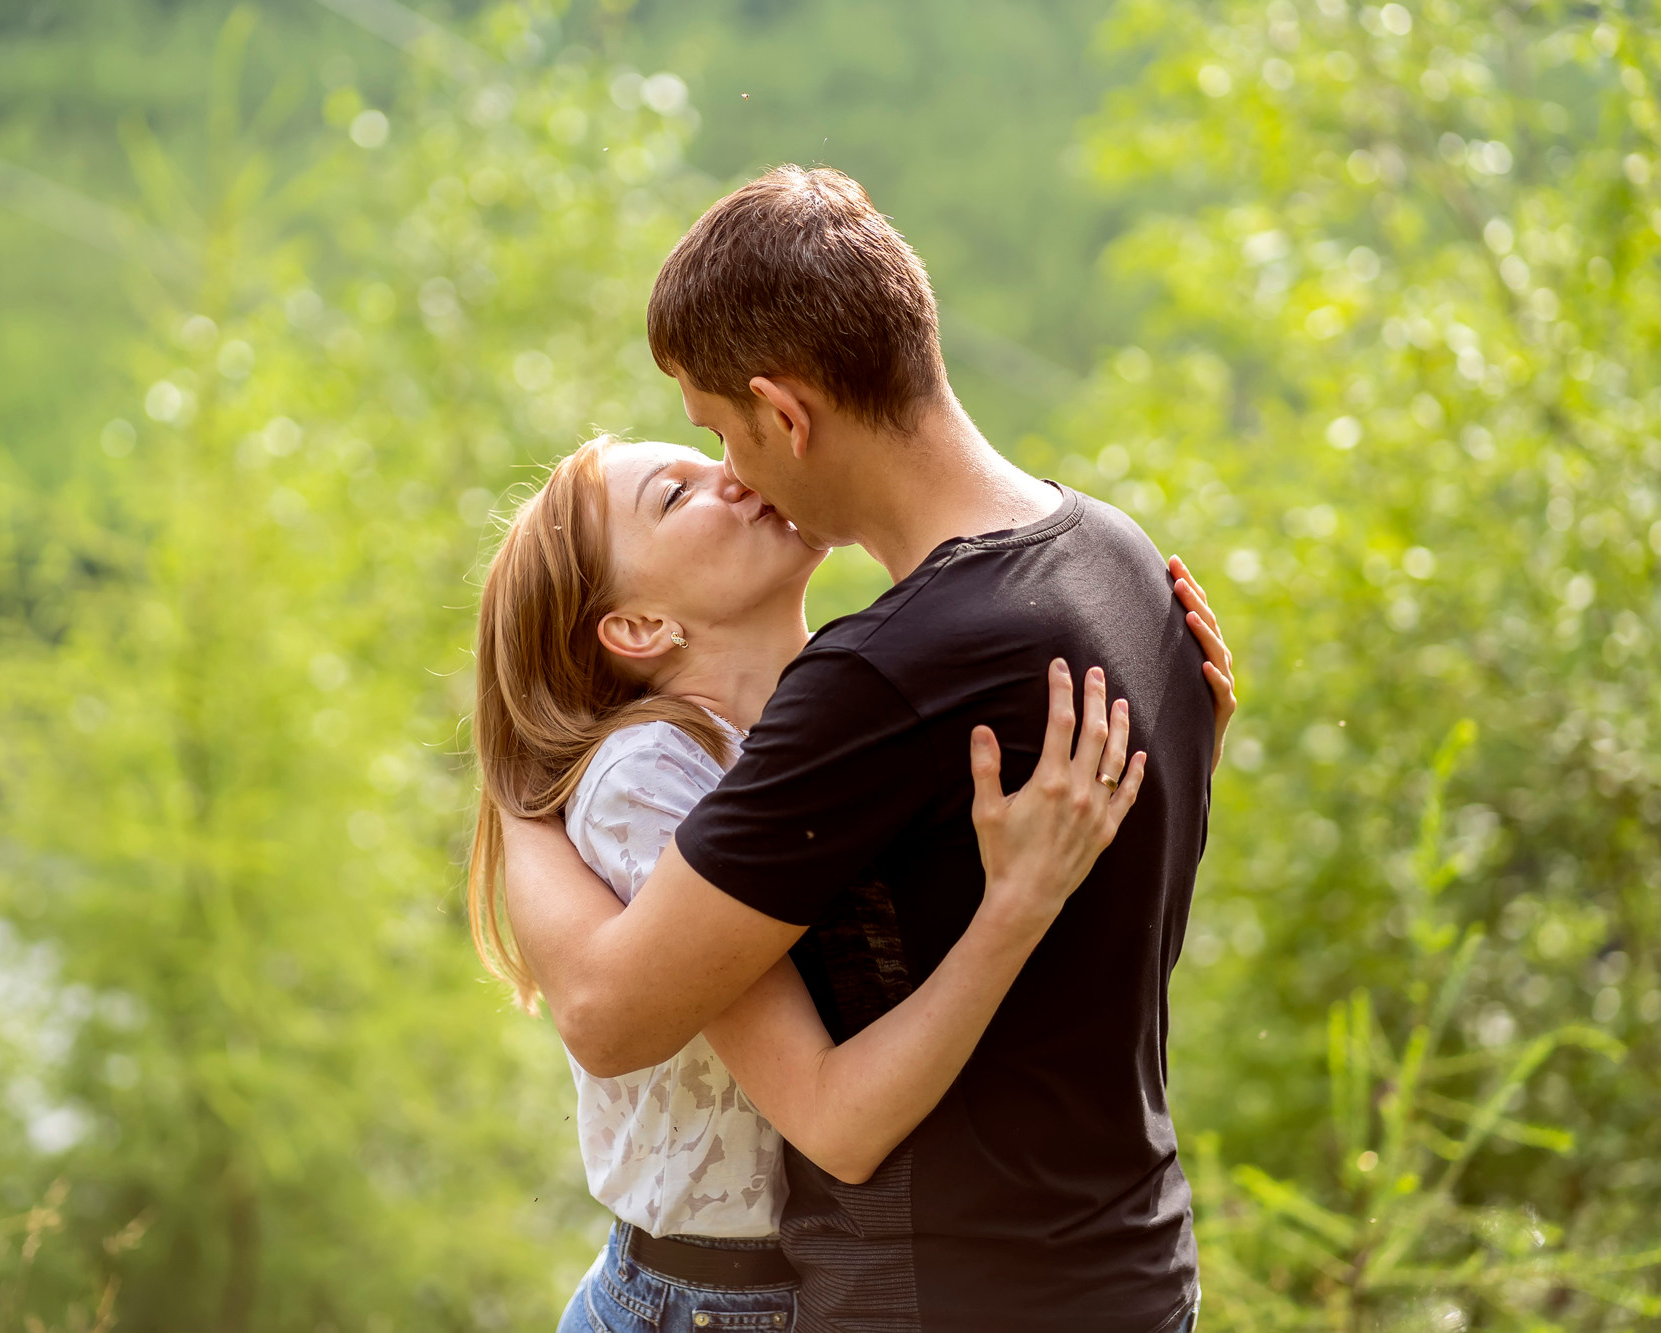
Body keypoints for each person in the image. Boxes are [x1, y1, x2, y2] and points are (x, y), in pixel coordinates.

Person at [500, 165, 1233, 1333]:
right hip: (1134, 1274)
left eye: (719, 435)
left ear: (784, 414)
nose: (734, 475)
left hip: (947, 1295)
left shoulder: (878, 679)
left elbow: (605, 1008)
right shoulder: (1122, 564)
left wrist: (512, 786)